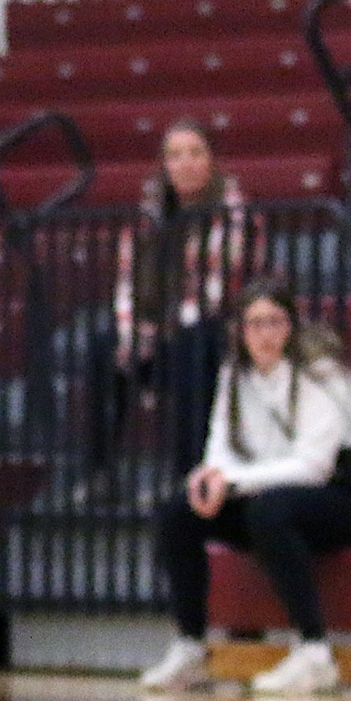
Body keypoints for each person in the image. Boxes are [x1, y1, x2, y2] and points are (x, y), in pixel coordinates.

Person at [139, 277, 351, 697]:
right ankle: (190, 645)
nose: (265, 334)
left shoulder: (321, 372)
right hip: (282, 491)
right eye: (254, 324)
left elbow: (315, 466)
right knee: (178, 512)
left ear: (292, 327)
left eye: (275, 322)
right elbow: (221, 449)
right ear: (240, 332)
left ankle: (315, 652)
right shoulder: (234, 374)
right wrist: (209, 479)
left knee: (270, 511)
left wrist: (234, 481)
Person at [113, 121, 258, 476]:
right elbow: (126, 284)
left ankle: (189, 473)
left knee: (192, 342)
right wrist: (132, 334)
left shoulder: (232, 212)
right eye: (175, 155)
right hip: (155, 330)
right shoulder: (148, 216)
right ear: (164, 165)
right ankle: (100, 474)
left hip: (215, 327)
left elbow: (217, 290)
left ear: (212, 161)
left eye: (195, 153)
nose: (185, 163)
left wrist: (165, 331)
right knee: (102, 347)